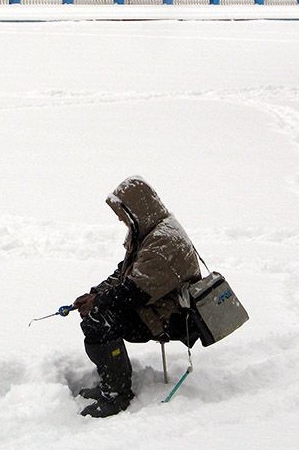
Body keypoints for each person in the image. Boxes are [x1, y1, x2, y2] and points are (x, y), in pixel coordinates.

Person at [72, 176, 201, 418]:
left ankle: (117, 395)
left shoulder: (164, 241)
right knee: (99, 313)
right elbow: (125, 273)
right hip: (157, 305)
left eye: (121, 213)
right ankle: (111, 386)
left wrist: (97, 303)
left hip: (173, 317)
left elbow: (135, 292)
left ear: (135, 209)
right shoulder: (150, 231)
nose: (119, 219)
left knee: (100, 319)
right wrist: (95, 293)